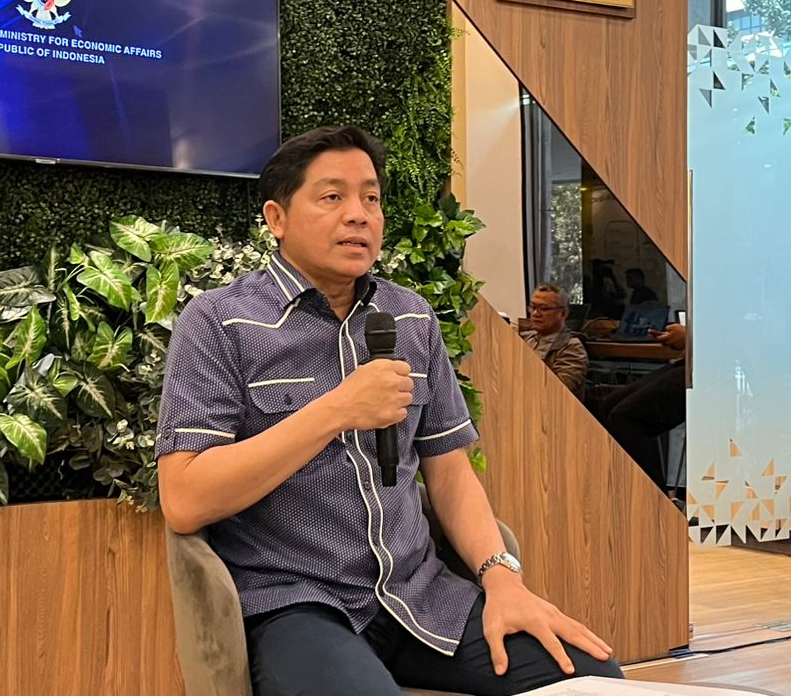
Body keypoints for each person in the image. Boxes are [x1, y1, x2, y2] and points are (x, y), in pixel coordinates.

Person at [157, 126, 624, 696]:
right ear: (277, 218)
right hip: (296, 603)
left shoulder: (410, 317)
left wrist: (503, 579)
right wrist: (336, 410)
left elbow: (449, 472)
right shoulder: (219, 322)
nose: (359, 214)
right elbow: (185, 500)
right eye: (333, 196)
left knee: (593, 678)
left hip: (420, 595)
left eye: (371, 198)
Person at [589, 324, 686, 488]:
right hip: (693, 360)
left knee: (625, 418)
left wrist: (689, 337)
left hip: (713, 369)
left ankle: (653, 496)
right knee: (608, 405)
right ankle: (619, 489)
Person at [521, 283, 589, 398]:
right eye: (533, 307)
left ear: (563, 313)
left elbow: (555, 391)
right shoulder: (525, 338)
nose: (535, 313)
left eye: (543, 309)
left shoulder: (572, 348)